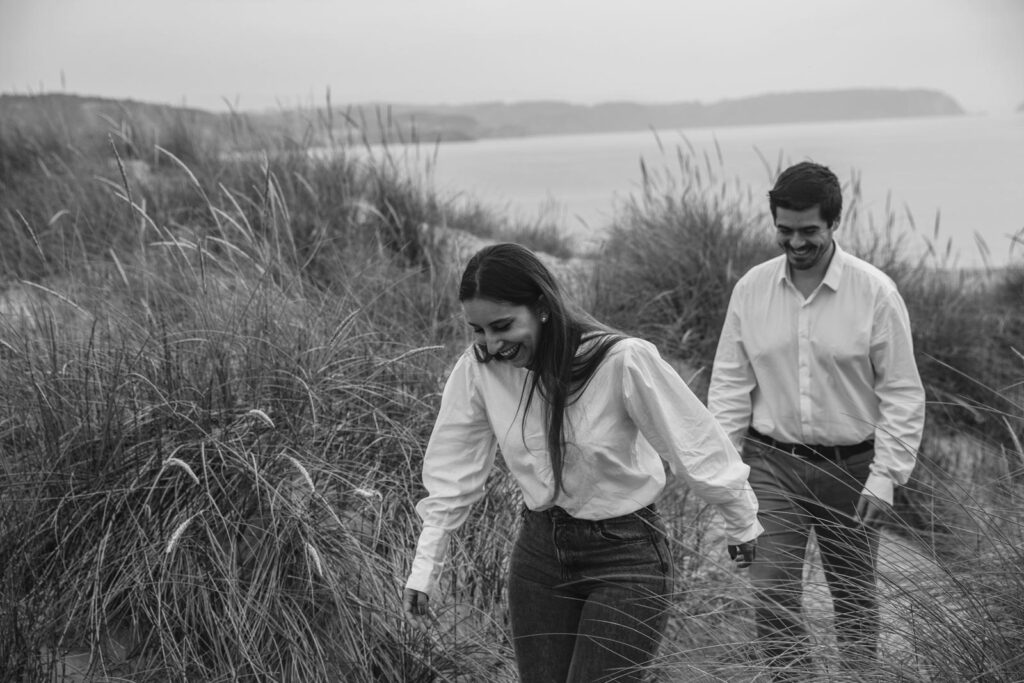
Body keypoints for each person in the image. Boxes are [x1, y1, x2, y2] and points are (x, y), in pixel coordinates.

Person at [403, 242, 761, 683]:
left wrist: (740, 516)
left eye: (502, 326)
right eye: (478, 330)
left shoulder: (621, 359)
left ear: (542, 307)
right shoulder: (479, 369)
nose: (492, 345)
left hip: (626, 557)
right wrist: (426, 566)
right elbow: (453, 471)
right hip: (539, 554)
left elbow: (692, 442)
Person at [708, 161, 926, 677]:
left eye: (809, 231)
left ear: (834, 223)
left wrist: (886, 478)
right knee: (771, 591)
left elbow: (901, 391)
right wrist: (723, 477)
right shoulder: (751, 289)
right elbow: (730, 387)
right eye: (785, 231)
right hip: (771, 465)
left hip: (852, 472)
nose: (796, 242)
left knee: (852, 596)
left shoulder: (875, 292)